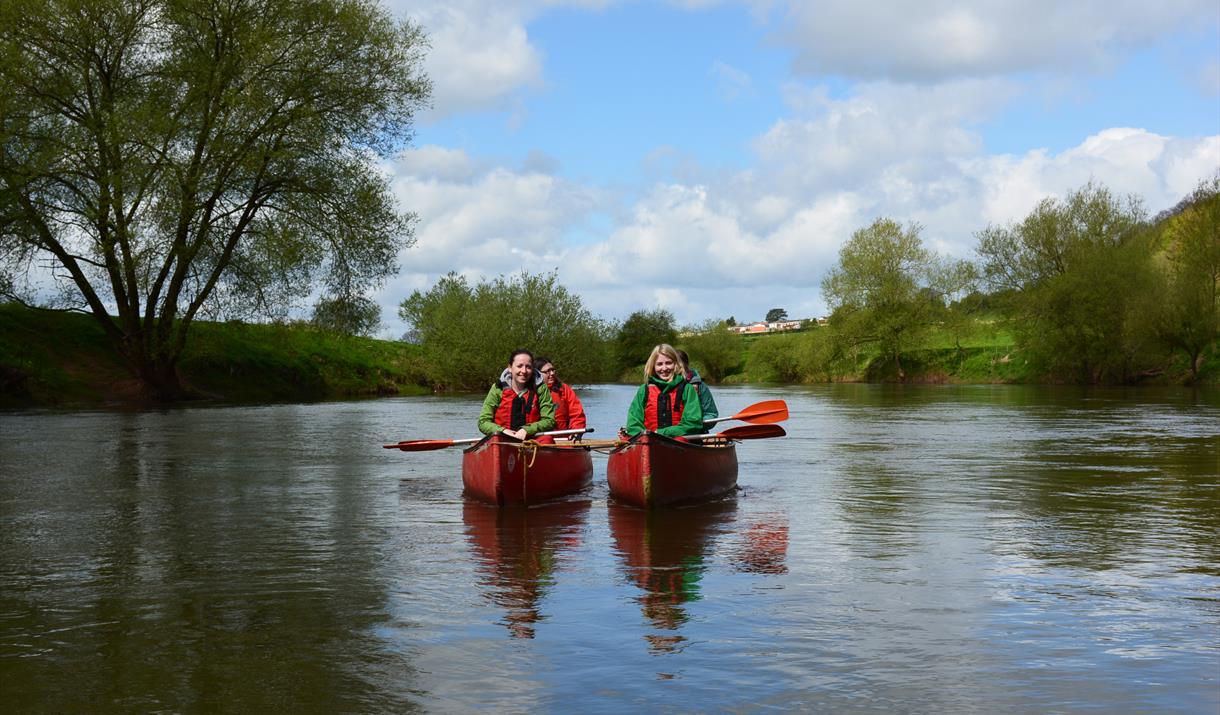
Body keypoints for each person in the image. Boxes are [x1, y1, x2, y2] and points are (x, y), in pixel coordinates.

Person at [623, 343, 704, 438]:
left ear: (676, 364)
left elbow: (693, 423)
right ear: (653, 366)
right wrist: (645, 436)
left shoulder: (687, 389)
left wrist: (662, 433)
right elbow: (633, 423)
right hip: (649, 442)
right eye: (659, 364)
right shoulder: (644, 390)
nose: (664, 368)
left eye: (669, 363)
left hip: (680, 443)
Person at [478, 348, 556, 441]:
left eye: (528, 367)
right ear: (510, 368)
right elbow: (483, 422)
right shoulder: (498, 388)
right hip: (502, 438)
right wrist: (502, 431)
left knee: (547, 440)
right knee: (494, 441)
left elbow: (549, 421)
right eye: (519, 366)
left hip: (532, 439)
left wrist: (527, 430)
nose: (524, 371)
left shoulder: (541, 388)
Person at [535, 356, 586, 439]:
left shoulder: (564, 389)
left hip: (564, 439)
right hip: (538, 439)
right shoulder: (530, 391)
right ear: (537, 373)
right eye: (547, 371)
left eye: (552, 370)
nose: (552, 373)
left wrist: (576, 431)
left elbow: (577, 414)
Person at [676, 349, 719, 426]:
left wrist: (697, 424)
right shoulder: (658, 386)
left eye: (679, 366)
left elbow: (711, 413)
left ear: (686, 365)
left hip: (693, 432)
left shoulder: (700, 386)